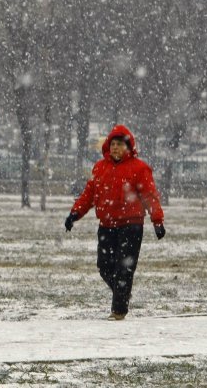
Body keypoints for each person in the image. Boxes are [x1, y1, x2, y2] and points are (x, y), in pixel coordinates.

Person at [64, 124, 165, 321]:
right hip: (107, 225)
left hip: (131, 226)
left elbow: (150, 196)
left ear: (128, 147)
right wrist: (74, 214)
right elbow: (89, 195)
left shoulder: (139, 168)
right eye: (112, 144)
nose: (115, 148)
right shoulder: (100, 168)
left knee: (124, 268)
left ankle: (118, 311)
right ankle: (123, 293)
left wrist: (157, 221)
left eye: (119, 144)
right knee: (104, 267)